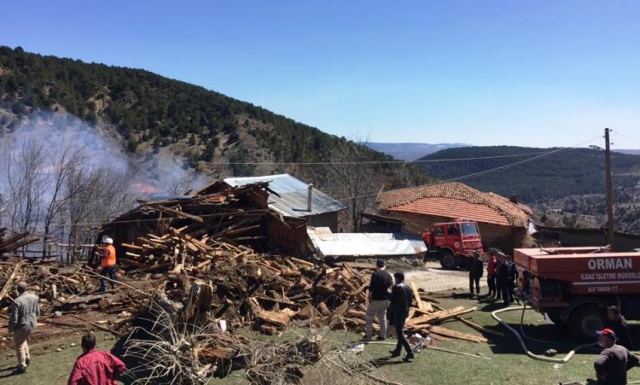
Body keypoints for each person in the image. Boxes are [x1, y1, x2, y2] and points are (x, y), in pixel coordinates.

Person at [8, 281, 40, 374]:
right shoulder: (34, 297)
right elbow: (37, 311)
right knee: (23, 340)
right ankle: (27, 357)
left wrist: (11, 327)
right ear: (26, 288)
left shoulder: (17, 301)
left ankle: (22, 365)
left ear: (18, 290)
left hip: (21, 325)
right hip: (32, 323)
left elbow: (14, 317)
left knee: (19, 346)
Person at [389, 271, 415, 362]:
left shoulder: (396, 287)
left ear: (397, 278)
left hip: (398, 312)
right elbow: (410, 300)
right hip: (405, 311)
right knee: (400, 330)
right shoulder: (407, 287)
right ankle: (398, 350)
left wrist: (389, 291)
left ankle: (410, 352)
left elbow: (391, 298)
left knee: (399, 332)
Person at [364, 259, 393, 340]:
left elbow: (372, 288)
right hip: (386, 300)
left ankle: (368, 335)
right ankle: (382, 335)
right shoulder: (388, 275)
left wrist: (369, 296)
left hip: (377, 299)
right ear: (384, 265)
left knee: (369, 316)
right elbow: (391, 288)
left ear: (377, 265)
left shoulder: (376, 274)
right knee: (382, 317)